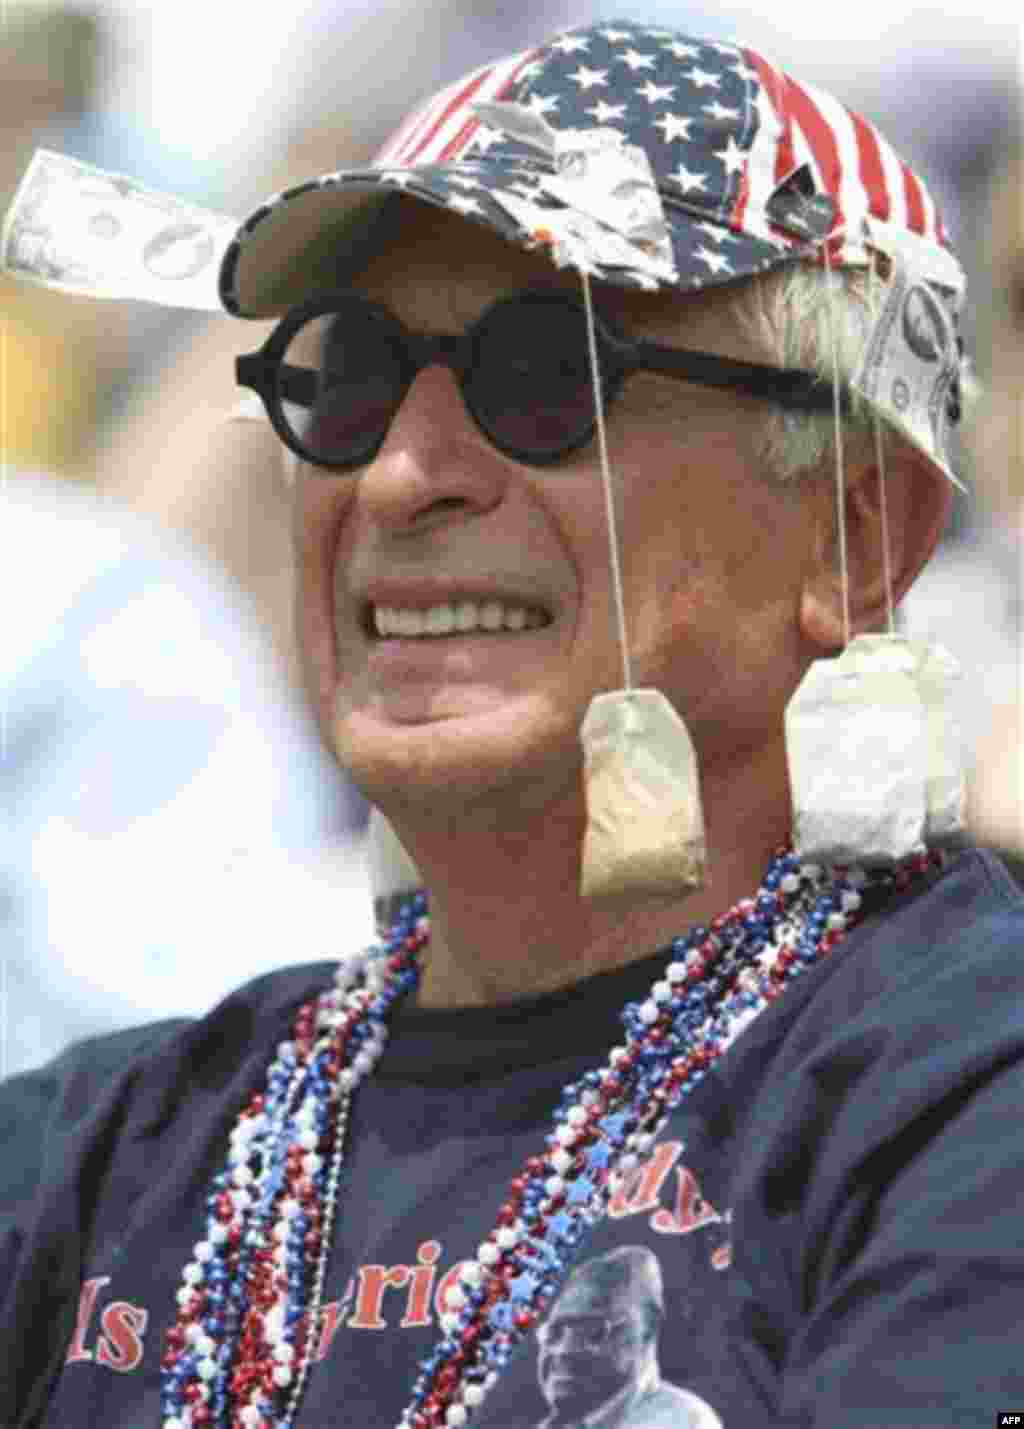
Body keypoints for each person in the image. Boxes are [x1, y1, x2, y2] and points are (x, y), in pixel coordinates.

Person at [2, 19, 1022, 1429]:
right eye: (347, 375)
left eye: (548, 375)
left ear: (853, 535)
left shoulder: (962, 1093)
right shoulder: (104, 1157)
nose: (402, 474)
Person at [534, 1247, 720, 1429]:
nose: (565, 1349)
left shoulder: (683, 1422)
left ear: (647, 1330)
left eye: (592, 1331)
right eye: (554, 1332)